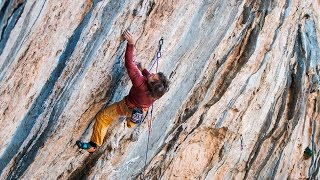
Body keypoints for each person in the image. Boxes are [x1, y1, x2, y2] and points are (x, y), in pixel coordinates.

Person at [76, 30, 169, 153]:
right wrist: (144, 70)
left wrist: (131, 43)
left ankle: (93, 146)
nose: (151, 73)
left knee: (103, 118)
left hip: (126, 106)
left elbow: (129, 64)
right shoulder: (158, 92)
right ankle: (132, 122)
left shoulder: (140, 83)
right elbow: (151, 81)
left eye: (153, 76)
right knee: (133, 117)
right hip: (140, 109)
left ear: (151, 84)